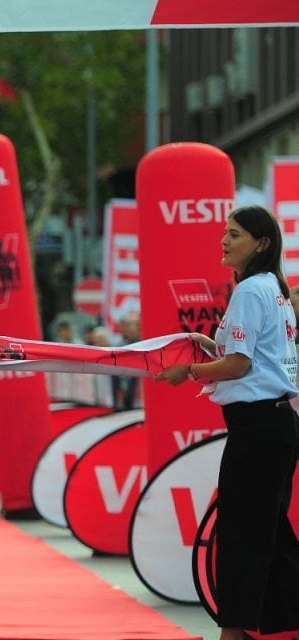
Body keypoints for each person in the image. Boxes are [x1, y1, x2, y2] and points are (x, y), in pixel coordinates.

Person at [156, 205, 299, 640]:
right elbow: (248, 359)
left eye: (234, 234)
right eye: (225, 232)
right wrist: (208, 346)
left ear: (262, 243)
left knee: (242, 533)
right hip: (273, 426)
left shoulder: (253, 291)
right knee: (270, 532)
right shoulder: (271, 288)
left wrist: (190, 372)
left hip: (259, 429)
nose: (224, 240)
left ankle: (232, 633)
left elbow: (239, 365)